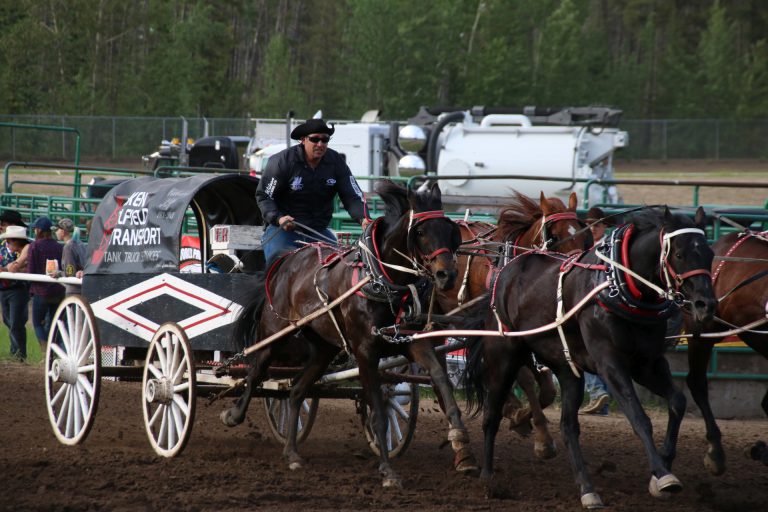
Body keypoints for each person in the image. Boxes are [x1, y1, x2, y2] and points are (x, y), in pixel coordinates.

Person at [255, 118, 370, 264]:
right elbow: (265, 196)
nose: (320, 144)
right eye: (315, 139)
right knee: (279, 264)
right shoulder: (282, 161)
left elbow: (352, 196)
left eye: (325, 140)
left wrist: (363, 217)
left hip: (319, 231)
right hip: (283, 230)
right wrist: (279, 218)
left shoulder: (336, 162)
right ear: (303, 140)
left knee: (340, 264)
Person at [580, 206, 615, 415]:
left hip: (599, 304)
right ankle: (601, 401)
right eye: (588, 225)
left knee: (583, 348)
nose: (592, 229)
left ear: (605, 227)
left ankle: (597, 393)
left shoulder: (606, 248)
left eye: (597, 225)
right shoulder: (590, 247)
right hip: (596, 303)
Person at [27, 216, 65, 351]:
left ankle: (45, 348)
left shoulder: (34, 246)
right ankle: (54, 350)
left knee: (37, 323)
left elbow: (31, 271)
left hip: (40, 291)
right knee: (55, 323)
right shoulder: (59, 246)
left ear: (39, 230)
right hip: (58, 290)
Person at [0, 212, 31, 361]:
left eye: (5, 224)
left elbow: (22, 266)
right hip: (4, 288)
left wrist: (10, 268)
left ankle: (18, 353)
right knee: (8, 321)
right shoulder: (3, 246)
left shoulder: (27, 248)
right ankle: (16, 352)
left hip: (18, 289)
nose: (1, 226)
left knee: (16, 322)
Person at [52, 218, 86, 296]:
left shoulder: (68, 247)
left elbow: (69, 273)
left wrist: (58, 273)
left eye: (57, 230)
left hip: (74, 290)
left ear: (63, 231)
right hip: (82, 288)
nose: (56, 232)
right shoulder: (81, 244)